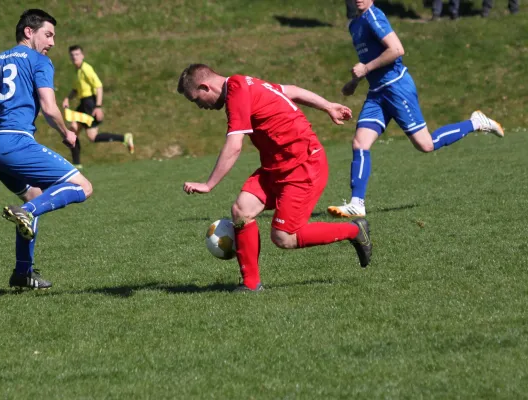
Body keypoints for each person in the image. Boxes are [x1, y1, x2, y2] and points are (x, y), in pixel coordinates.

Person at [178, 64, 372, 292]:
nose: (200, 106)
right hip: (275, 167)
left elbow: (234, 146)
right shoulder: (244, 82)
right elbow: (291, 90)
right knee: (241, 210)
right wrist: (327, 106)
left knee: (284, 237)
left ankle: (355, 231)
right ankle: (251, 285)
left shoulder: (236, 93)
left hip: (302, 166)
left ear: (205, 86)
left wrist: (209, 184)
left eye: (196, 99)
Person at [326, 0, 504, 218]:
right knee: (359, 143)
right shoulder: (354, 26)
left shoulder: (374, 16)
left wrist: (366, 68)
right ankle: (357, 204)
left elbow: (397, 49)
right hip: (377, 93)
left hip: (397, 88)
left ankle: (477, 122)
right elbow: (368, 60)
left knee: (426, 145)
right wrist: (354, 82)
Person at [0, 9, 93, 289]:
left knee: (34, 196)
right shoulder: (38, 61)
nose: (52, 42)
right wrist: (66, 132)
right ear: (28, 32)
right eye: (48, 34)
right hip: (14, 141)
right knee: (83, 186)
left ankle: (23, 273)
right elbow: (49, 107)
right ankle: (30, 212)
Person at [62, 45, 134, 169]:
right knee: (73, 130)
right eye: (72, 55)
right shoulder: (76, 70)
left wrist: (98, 106)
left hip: (89, 105)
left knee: (92, 137)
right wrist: (68, 98)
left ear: (83, 55)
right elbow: (75, 89)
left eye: (77, 54)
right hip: (82, 105)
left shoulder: (86, 69)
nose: (75, 57)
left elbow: (99, 86)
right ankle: (76, 164)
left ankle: (125, 138)